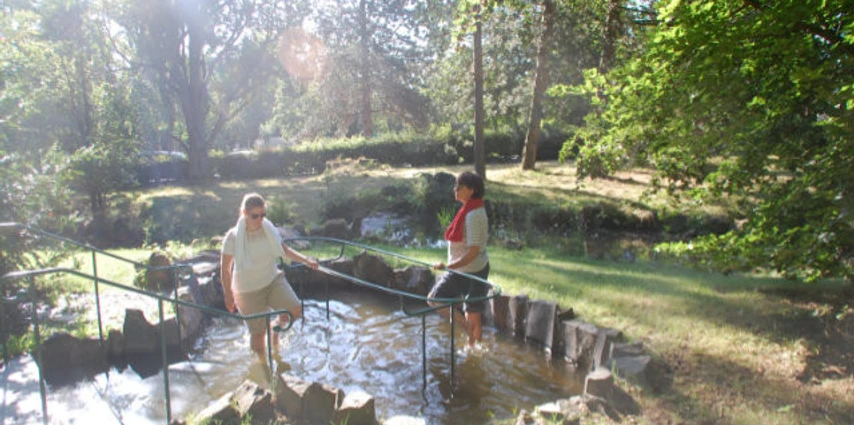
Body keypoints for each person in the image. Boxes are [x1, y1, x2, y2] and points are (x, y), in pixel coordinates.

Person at [220, 193, 319, 362]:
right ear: (244, 213)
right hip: (247, 290)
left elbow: (285, 251)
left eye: (263, 215)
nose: (260, 219)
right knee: (258, 335)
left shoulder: (268, 229)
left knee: (294, 309)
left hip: (272, 280)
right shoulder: (233, 236)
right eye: (255, 216)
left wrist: (306, 260)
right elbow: (225, 268)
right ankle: (262, 371)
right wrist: (228, 295)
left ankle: (275, 332)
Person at [428, 171, 490, 348]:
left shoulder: (474, 214)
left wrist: (448, 266)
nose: (455, 189)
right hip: (460, 270)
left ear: (471, 190)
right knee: (434, 299)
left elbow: (473, 252)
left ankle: (474, 350)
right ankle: (468, 329)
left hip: (474, 271)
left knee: (473, 313)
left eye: (459, 186)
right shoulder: (469, 209)